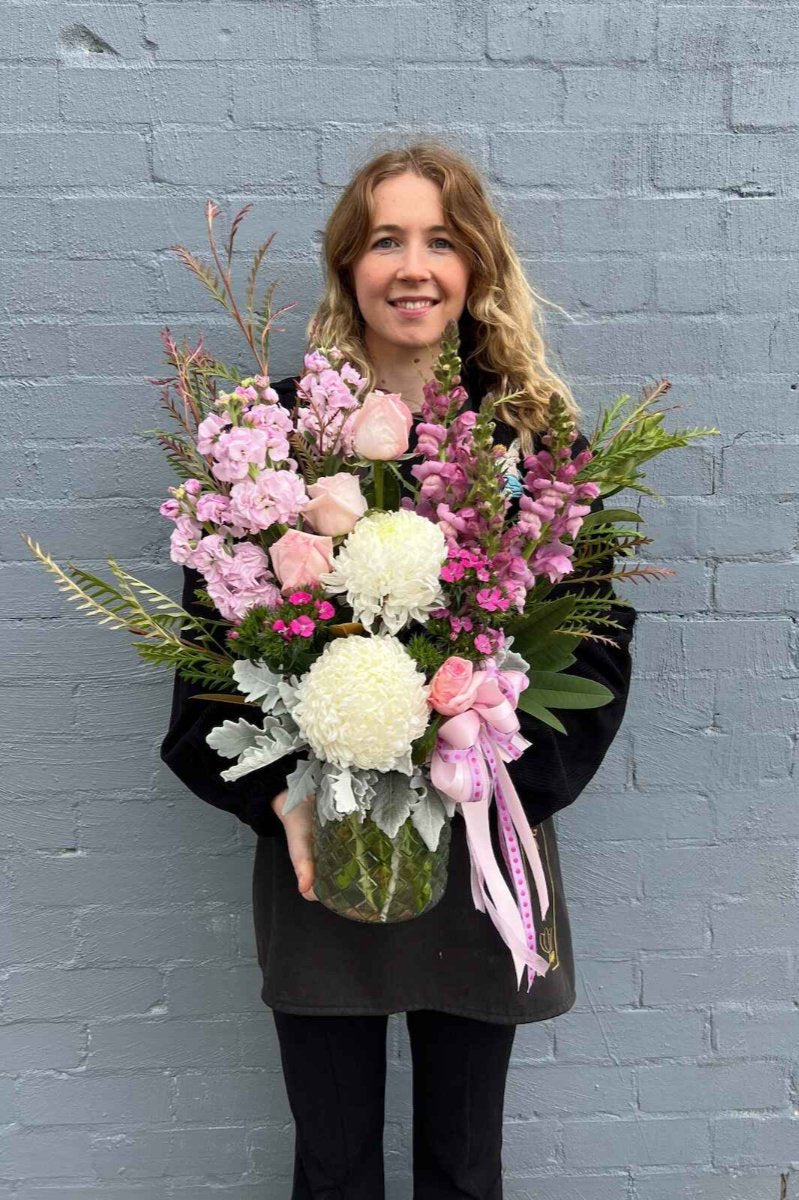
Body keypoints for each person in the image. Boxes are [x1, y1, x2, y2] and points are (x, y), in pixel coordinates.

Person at [160, 140, 638, 1199]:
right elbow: (204, 679)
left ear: (476, 269)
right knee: (331, 1165)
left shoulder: (533, 443)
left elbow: (597, 647)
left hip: (477, 846)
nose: (413, 266)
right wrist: (284, 804)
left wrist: (485, 783)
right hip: (323, 850)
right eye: (385, 240)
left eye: (440, 239)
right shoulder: (279, 438)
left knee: (464, 1166)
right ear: (349, 267)